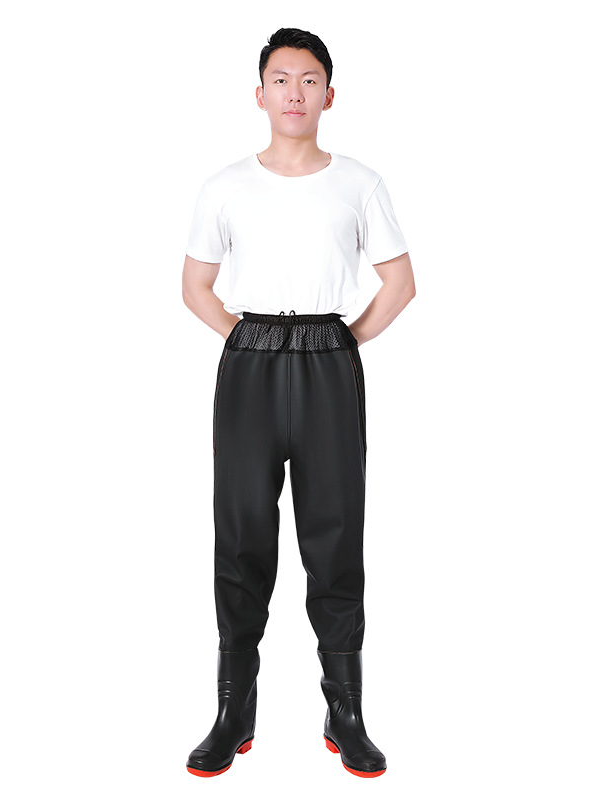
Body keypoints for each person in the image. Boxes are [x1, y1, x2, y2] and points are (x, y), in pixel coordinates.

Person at [181, 27, 415, 779]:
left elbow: (401, 282)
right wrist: (248, 339)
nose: (294, 92)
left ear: (329, 95)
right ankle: (233, 708)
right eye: (280, 79)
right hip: (249, 362)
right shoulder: (225, 185)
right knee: (241, 533)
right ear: (259, 94)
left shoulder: (359, 183)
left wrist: (343, 343)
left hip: (328, 363)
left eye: (309, 80)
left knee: (335, 534)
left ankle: (345, 712)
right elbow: (194, 285)